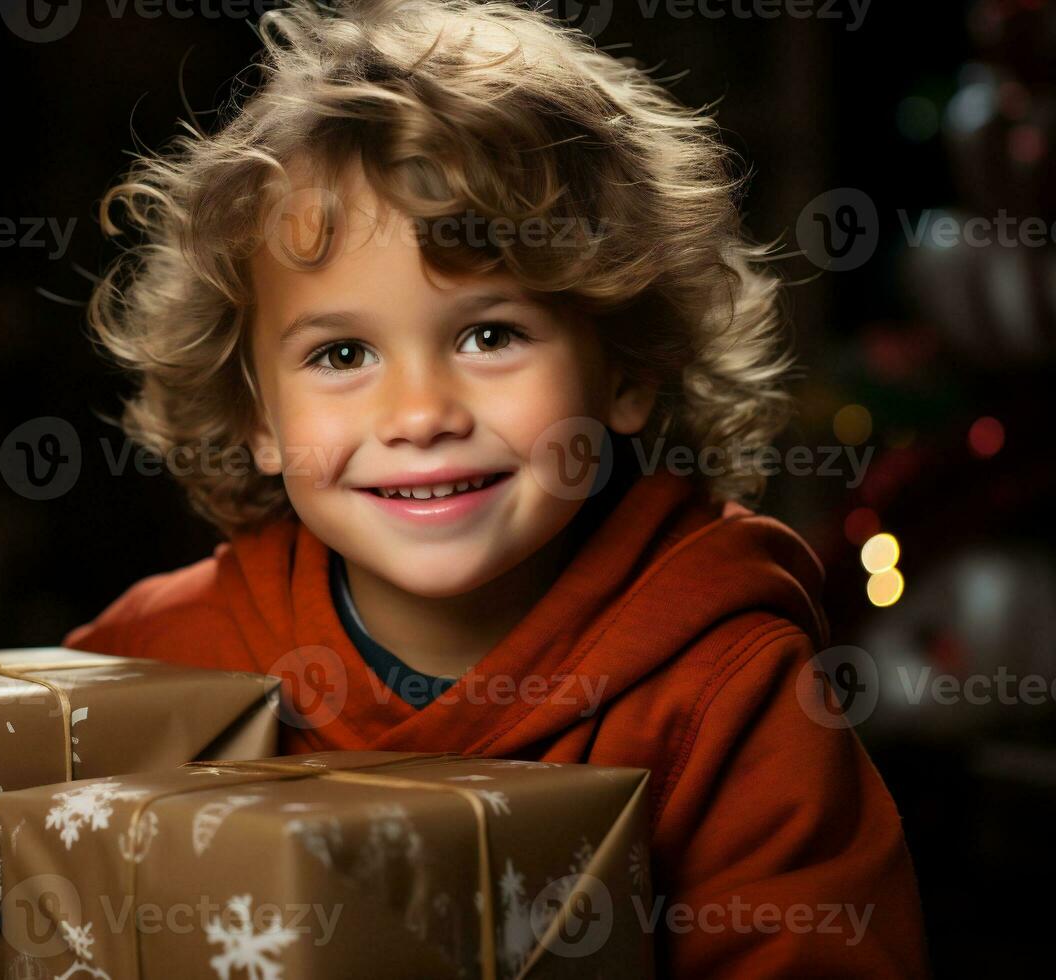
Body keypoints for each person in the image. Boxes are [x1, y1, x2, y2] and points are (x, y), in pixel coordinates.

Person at [66, 0, 929, 974]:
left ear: (626, 370)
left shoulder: (731, 690)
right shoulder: (160, 658)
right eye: (342, 351)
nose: (421, 410)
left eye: (491, 335)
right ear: (258, 416)